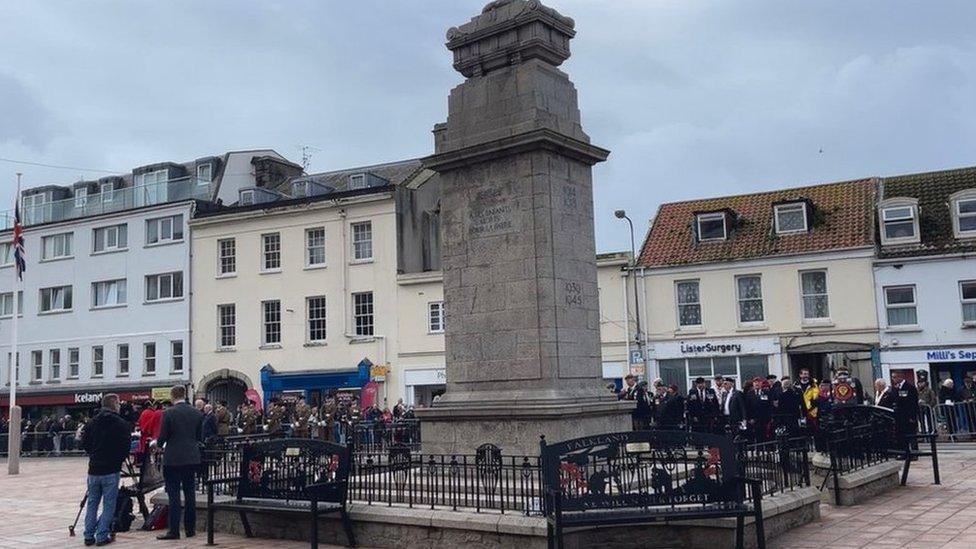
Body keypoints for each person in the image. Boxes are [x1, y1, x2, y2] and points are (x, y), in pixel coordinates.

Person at [81, 393, 132, 547]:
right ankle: (102, 535)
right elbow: (125, 447)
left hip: (94, 468)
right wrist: (118, 460)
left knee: (92, 502)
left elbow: (86, 444)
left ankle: (88, 535)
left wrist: (94, 454)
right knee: (109, 503)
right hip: (111, 468)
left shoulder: (91, 423)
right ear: (115, 405)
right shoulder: (121, 424)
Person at [155, 385, 203, 541]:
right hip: (191, 457)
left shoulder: (168, 413)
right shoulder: (196, 413)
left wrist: (156, 443)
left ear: (172, 396)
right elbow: (199, 436)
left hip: (173, 458)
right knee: (190, 494)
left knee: (174, 495)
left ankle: (174, 530)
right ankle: (190, 529)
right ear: (184, 394)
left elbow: (162, 438)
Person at [891, 371, 920, 441]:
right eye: (892, 377)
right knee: (901, 436)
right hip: (899, 416)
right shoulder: (895, 388)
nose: (893, 379)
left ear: (900, 377)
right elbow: (895, 400)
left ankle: (914, 450)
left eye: (894, 377)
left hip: (908, 415)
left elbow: (913, 402)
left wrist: (912, 416)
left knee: (911, 435)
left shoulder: (910, 387)